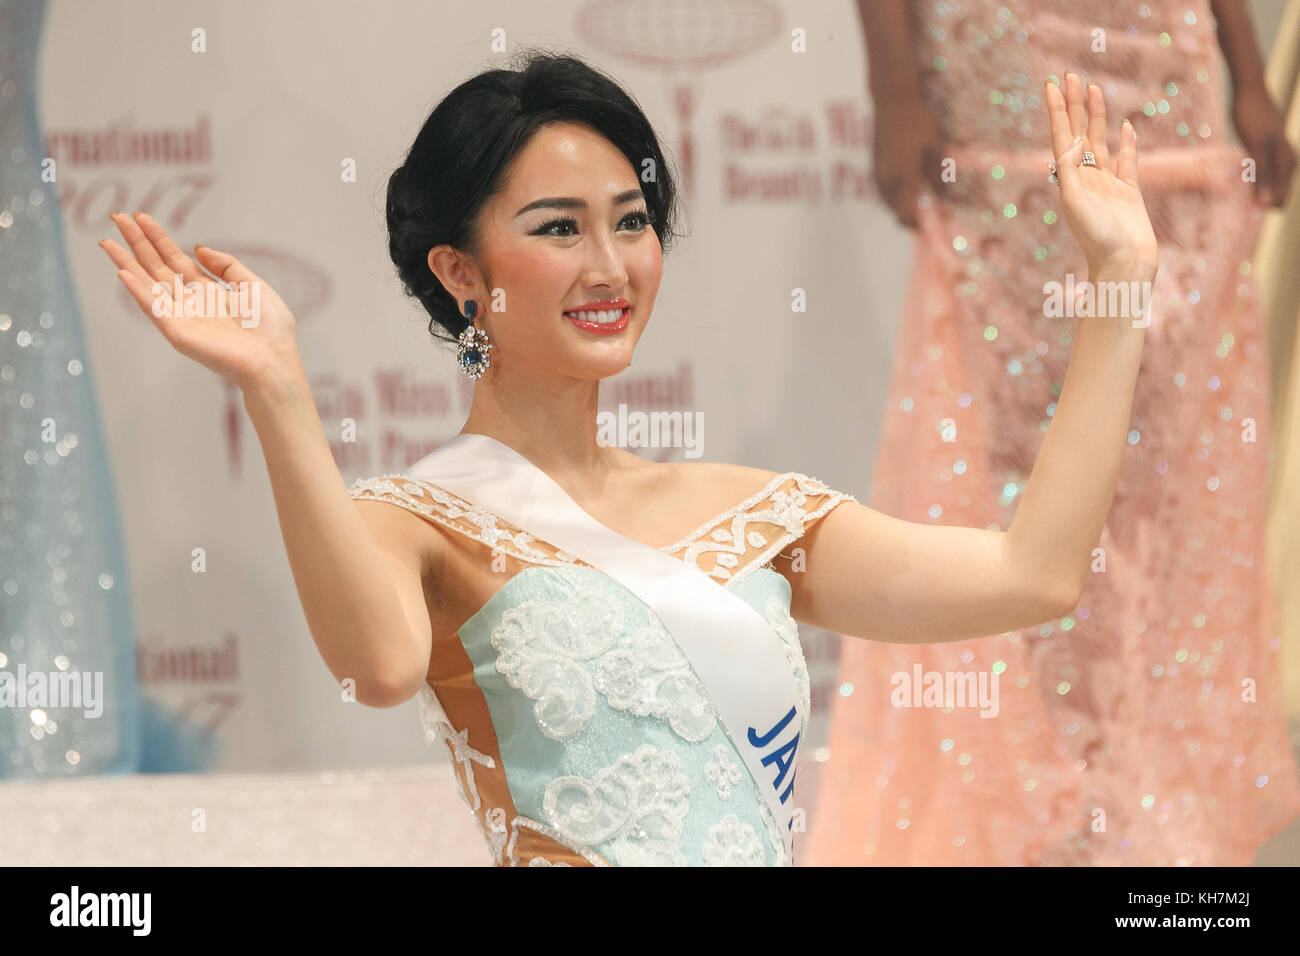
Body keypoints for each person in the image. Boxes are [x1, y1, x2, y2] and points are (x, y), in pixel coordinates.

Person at [99, 51, 1157, 866]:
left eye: (632, 222)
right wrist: (277, 388)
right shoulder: (414, 516)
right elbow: (376, 666)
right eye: (558, 228)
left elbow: (1035, 571)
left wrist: (1116, 279)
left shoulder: (751, 508)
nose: (609, 266)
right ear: (460, 270)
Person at [806, 0, 1300, 866]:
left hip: (1161, 44)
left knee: (1164, 455)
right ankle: (1025, 812)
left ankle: (1145, 808)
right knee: (1014, 457)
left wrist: (1250, 76)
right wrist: (892, 85)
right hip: (1007, 46)